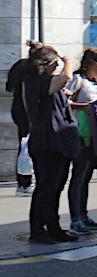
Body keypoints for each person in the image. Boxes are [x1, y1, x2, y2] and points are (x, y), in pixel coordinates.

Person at [24, 46, 81, 244]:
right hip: (46, 142)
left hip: (58, 142)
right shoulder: (37, 82)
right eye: (55, 64)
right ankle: (38, 230)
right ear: (47, 65)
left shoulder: (46, 82)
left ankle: (53, 227)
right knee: (46, 187)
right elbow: (63, 79)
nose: (58, 66)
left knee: (56, 187)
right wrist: (69, 63)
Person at [66, 48, 97, 235]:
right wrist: (84, 107)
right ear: (89, 65)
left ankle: (84, 215)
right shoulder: (78, 81)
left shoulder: (94, 83)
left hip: (94, 137)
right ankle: (75, 219)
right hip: (80, 135)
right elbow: (64, 102)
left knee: (86, 178)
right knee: (78, 178)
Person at [6, 40, 42, 196]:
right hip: (27, 111)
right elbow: (24, 92)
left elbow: (8, 87)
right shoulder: (32, 69)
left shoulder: (18, 65)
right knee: (29, 146)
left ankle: (24, 181)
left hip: (17, 109)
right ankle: (25, 182)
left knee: (23, 144)